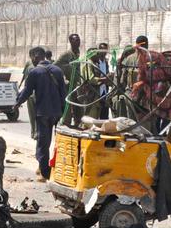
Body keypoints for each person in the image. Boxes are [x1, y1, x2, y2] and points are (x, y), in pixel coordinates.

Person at [15, 47, 66, 181]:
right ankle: (56, 169)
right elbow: (63, 94)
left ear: (35, 57)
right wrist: (63, 111)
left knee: (43, 143)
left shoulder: (34, 72)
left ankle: (45, 173)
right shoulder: (58, 70)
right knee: (58, 142)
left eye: (31, 58)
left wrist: (17, 103)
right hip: (57, 113)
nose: (31, 61)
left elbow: (27, 91)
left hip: (43, 113)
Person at [78, 42, 112, 119]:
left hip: (104, 91)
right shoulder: (92, 62)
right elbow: (91, 79)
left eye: (105, 50)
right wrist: (105, 79)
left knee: (104, 114)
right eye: (101, 50)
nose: (103, 53)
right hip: (94, 92)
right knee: (92, 114)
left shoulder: (105, 62)